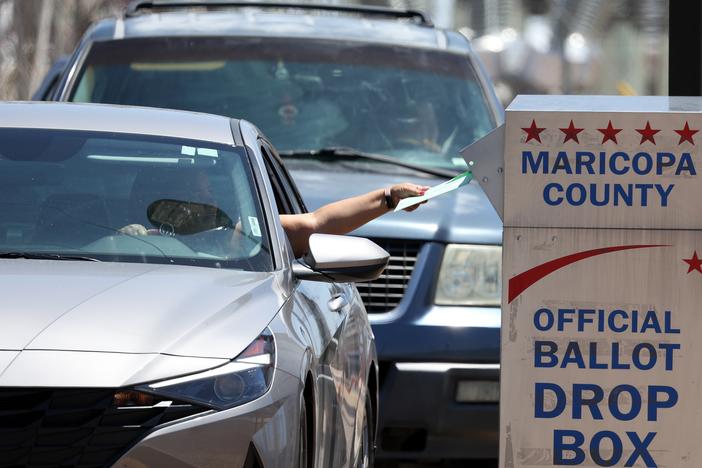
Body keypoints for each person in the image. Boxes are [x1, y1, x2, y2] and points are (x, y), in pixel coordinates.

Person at [120, 167, 429, 258]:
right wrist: (122, 242)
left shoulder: (246, 237)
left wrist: (388, 198)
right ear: (163, 208)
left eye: (209, 193)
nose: (205, 202)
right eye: (193, 196)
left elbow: (318, 223)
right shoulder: (138, 241)